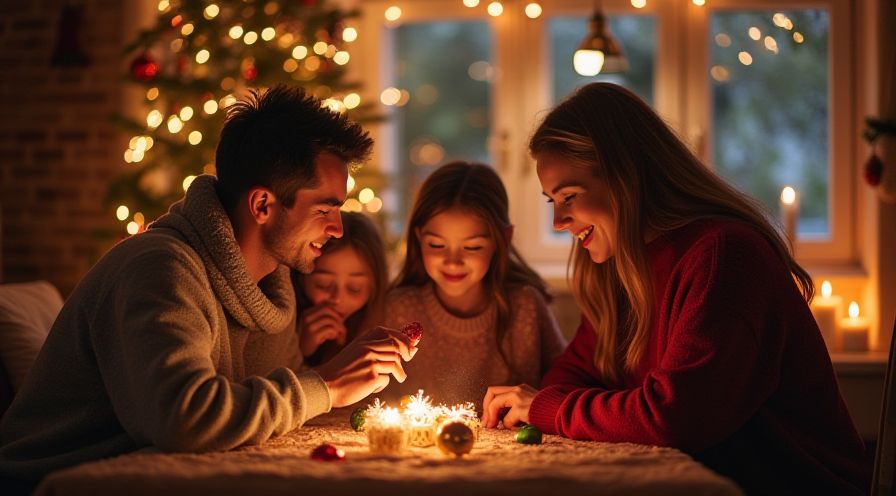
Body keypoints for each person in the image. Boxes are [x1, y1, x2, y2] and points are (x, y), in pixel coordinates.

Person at [0, 86, 415, 489]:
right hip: (54, 483)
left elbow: (267, 419)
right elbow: (184, 419)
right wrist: (327, 384)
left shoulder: (274, 284)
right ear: (262, 206)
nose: (337, 228)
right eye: (325, 209)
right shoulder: (161, 268)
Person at [481, 82, 870, 495]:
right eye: (551, 202)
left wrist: (545, 407)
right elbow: (577, 371)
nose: (560, 222)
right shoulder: (620, 263)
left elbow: (675, 417)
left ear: (625, 178)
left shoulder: (723, 255)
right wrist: (556, 401)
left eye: (570, 197)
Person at [382, 161, 567, 407]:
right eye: (437, 245)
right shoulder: (398, 308)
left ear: (502, 239)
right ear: (418, 238)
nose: (453, 261)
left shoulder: (525, 306)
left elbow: (566, 382)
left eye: (472, 247)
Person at [292, 211, 388, 367]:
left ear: (374, 286)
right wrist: (299, 350)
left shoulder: (384, 327)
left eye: (354, 288)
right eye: (323, 284)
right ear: (302, 278)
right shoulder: (283, 326)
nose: (337, 298)